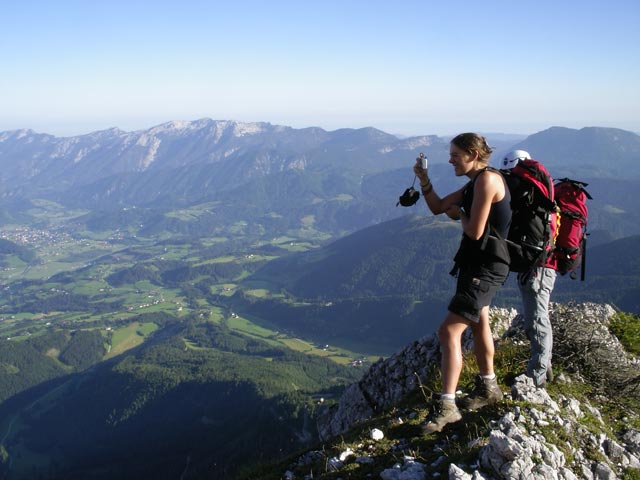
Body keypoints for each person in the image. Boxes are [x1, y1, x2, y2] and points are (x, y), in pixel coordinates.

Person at [414, 133, 511, 434]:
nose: (450, 160)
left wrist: (461, 214)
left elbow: (474, 231)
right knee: (480, 322)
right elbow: (438, 206)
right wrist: (423, 179)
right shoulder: (476, 182)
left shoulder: (486, 182)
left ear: (471, 153)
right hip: (476, 266)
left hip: (485, 266)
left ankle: (447, 406)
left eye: (455, 155)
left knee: (448, 330)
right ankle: (488, 388)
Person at [502, 149, 557, 388]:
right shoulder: (538, 190)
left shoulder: (523, 187)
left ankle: (536, 377)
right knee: (537, 317)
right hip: (542, 262)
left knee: (536, 320)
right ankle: (545, 367)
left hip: (537, 265)